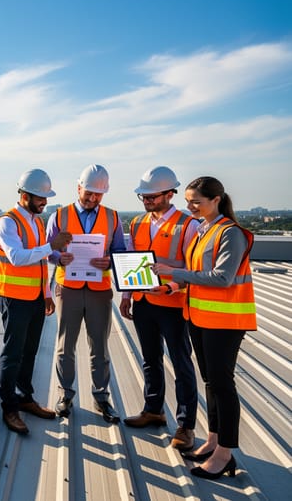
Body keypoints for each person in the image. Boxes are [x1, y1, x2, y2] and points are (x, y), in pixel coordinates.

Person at [151, 176, 256, 481]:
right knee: (210, 382)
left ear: (217, 200)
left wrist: (174, 271)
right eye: (188, 201)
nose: (191, 207)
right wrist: (171, 286)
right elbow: (197, 275)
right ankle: (213, 440)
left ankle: (225, 454)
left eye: (196, 201)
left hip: (225, 322)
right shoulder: (204, 231)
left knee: (223, 385)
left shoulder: (231, 234)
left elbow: (221, 277)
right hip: (201, 319)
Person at [119, 166, 199, 451]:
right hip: (143, 303)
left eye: (152, 196)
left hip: (173, 306)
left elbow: (194, 270)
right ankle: (153, 410)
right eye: (144, 197)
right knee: (150, 359)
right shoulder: (138, 223)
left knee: (181, 364)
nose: (147, 201)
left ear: (170, 193)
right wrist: (128, 295)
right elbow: (133, 261)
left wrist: (171, 287)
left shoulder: (188, 225)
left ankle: (186, 425)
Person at [0, 169, 72, 434]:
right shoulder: (7, 222)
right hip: (14, 299)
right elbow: (17, 257)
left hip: (36, 298)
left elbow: (38, 263)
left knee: (29, 352)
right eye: (40, 198)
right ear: (25, 195)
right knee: (12, 354)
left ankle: (25, 398)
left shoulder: (36, 222)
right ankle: (9, 408)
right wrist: (53, 246)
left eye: (46, 198)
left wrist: (46, 295)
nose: (44, 203)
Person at [47, 164, 126, 423]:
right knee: (64, 346)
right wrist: (60, 258)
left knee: (100, 347)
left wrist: (109, 261)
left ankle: (101, 396)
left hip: (99, 291)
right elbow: (48, 250)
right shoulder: (58, 216)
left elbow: (120, 252)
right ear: (78, 187)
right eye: (88, 193)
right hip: (67, 289)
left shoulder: (113, 217)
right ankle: (65, 394)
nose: (92, 199)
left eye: (98, 195)